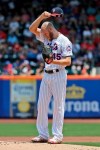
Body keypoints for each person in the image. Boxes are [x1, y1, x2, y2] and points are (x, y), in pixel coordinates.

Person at [29, 11, 73, 144]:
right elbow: (31, 29)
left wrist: (53, 60)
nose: (43, 35)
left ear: (50, 29)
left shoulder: (64, 41)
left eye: (45, 32)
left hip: (59, 74)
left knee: (58, 106)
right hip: (46, 75)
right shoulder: (45, 37)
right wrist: (42, 16)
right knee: (41, 105)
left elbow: (68, 62)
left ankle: (57, 136)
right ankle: (42, 134)